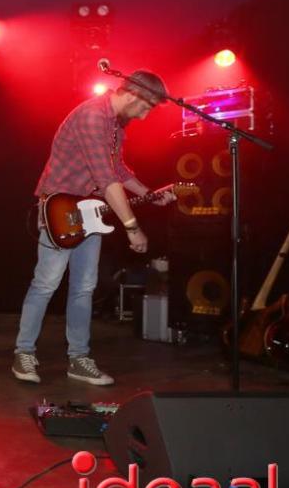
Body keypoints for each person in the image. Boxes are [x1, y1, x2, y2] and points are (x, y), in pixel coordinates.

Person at [12, 70, 175, 386]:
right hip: (60, 209)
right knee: (46, 283)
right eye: (145, 107)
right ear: (133, 95)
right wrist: (132, 226)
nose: (144, 116)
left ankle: (79, 359)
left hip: (90, 211)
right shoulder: (92, 116)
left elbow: (118, 169)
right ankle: (24, 353)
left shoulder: (115, 125)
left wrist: (149, 194)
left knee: (84, 287)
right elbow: (107, 179)